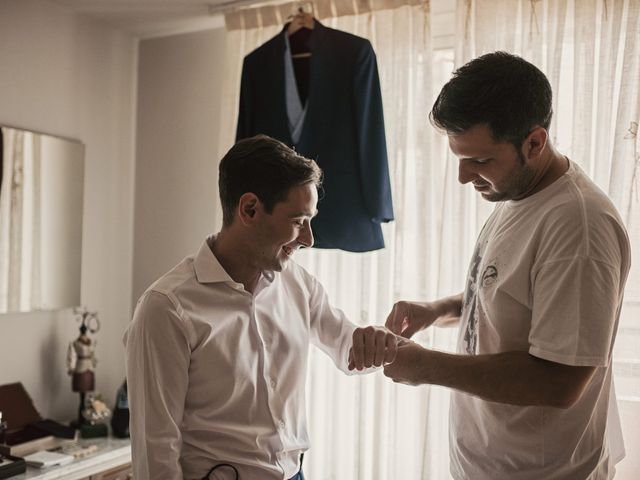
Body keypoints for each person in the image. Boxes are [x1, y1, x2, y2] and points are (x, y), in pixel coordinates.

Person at [383, 51, 631, 479]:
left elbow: (560, 381)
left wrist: (426, 366)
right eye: (459, 158)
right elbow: (508, 292)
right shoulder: (517, 192)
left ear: (534, 142)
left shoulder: (578, 226)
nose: (463, 177)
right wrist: (437, 309)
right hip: (489, 465)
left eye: (479, 161)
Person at [124, 134, 397, 480]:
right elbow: (155, 450)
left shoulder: (300, 286)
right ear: (250, 209)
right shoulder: (166, 308)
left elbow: (350, 349)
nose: (309, 239)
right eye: (298, 221)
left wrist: (376, 340)